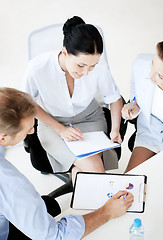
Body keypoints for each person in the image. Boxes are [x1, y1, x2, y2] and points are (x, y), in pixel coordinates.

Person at [0, 87, 133, 240]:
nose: (31, 133)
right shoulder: (10, 183)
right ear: (3, 138)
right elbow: (54, 235)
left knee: (50, 205)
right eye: (28, 129)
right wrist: (106, 212)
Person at [23, 16, 123, 182]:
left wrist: (115, 130)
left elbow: (114, 98)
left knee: (86, 167)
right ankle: (108, 202)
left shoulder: (100, 67)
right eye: (81, 65)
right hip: (53, 124)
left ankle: (98, 204)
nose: (86, 72)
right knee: (92, 165)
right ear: (64, 52)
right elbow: (27, 103)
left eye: (92, 66)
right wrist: (60, 130)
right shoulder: (37, 67)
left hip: (90, 118)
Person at [122, 41, 163, 172]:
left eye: (160, 76)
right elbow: (135, 95)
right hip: (150, 132)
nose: (151, 76)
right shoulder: (141, 63)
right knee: (129, 182)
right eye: (153, 64)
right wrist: (133, 106)